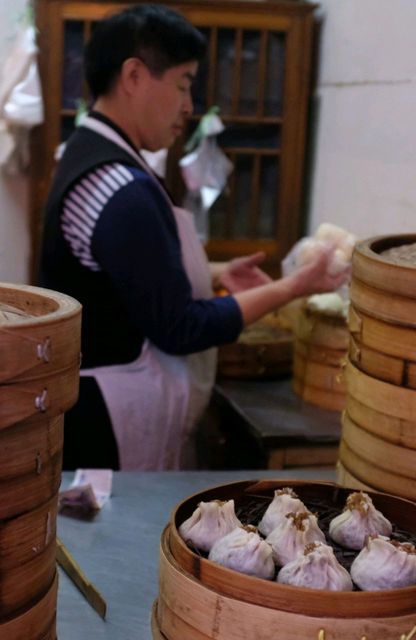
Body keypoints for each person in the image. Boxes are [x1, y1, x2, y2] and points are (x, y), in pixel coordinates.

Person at [39, 4, 348, 471]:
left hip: (99, 403)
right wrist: (293, 288)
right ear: (135, 76)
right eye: (184, 84)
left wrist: (215, 271)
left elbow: (123, 275)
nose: (189, 105)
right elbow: (179, 326)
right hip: (109, 419)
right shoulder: (120, 186)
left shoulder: (92, 151)